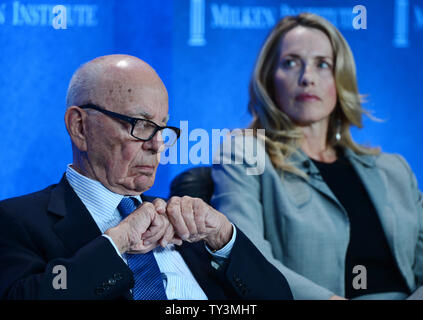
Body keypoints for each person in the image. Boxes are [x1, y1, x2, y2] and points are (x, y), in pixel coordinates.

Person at [0, 54, 293, 300]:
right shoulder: (17, 220)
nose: (156, 144)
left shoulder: (183, 223)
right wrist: (117, 242)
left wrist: (223, 237)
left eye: (162, 127)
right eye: (140, 124)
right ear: (80, 127)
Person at [211, 13, 423, 300]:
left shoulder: (394, 169)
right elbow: (248, 259)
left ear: (340, 79)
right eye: (291, 62)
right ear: (269, 78)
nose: (307, 78)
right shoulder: (245, 154)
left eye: (322, 64)